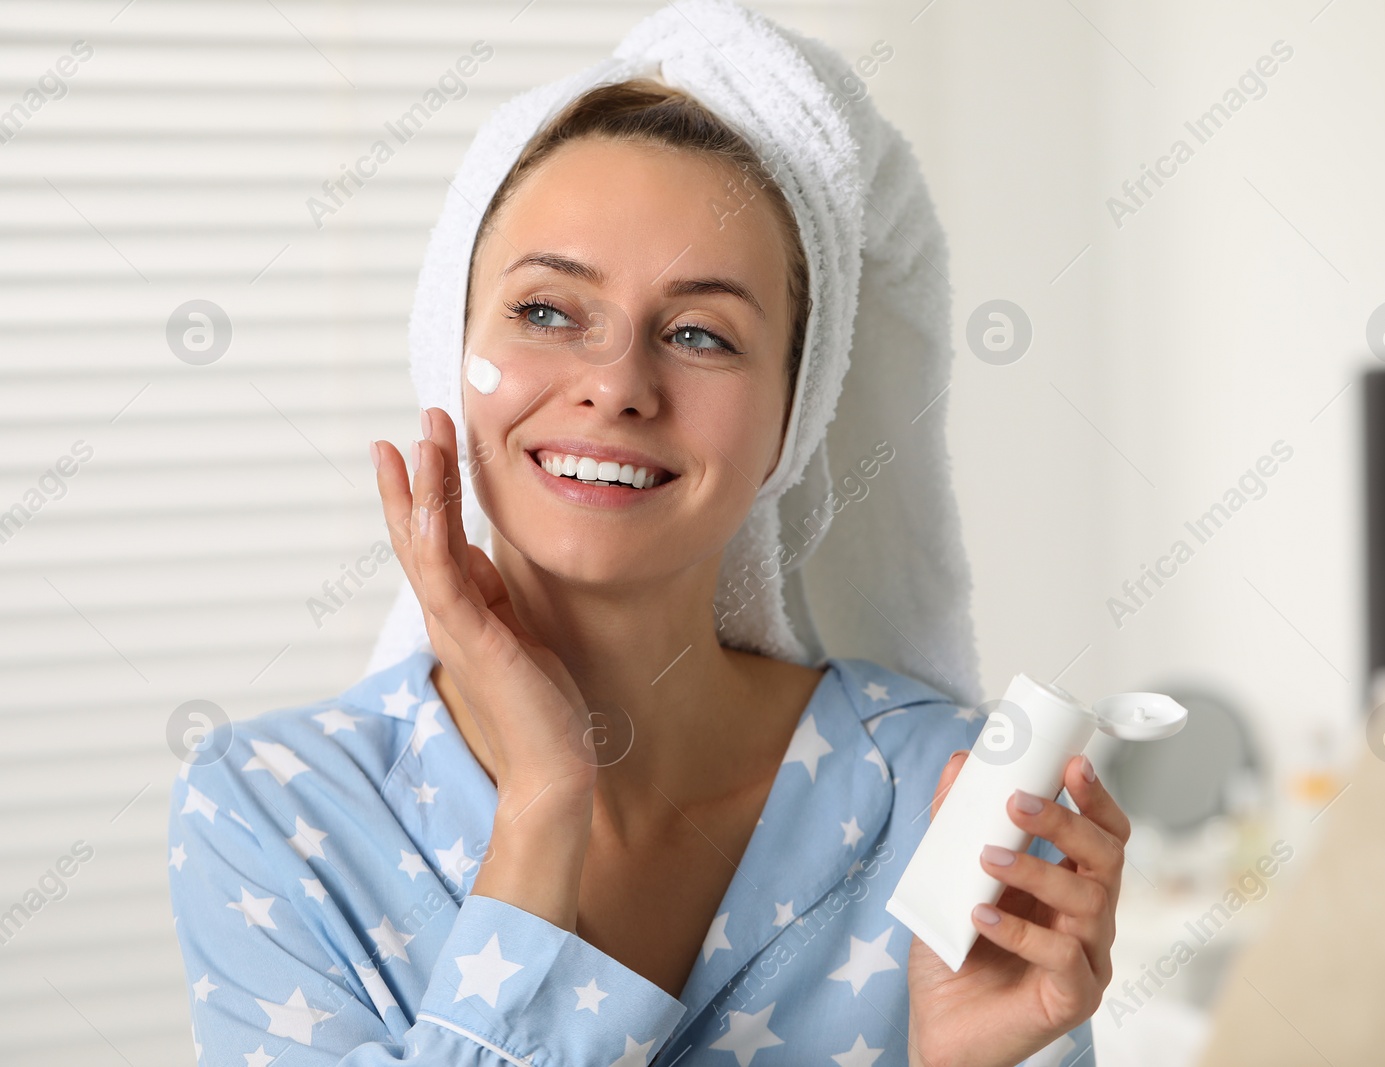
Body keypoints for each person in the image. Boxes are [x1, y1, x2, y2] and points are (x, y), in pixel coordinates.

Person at [166, 4, 1127, 1065]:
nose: (617, 384)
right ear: (450, 345)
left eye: (700, 333)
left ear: (792, 422)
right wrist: (543, 801)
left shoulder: (949, 794)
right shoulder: (274, 810)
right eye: (546, 311)